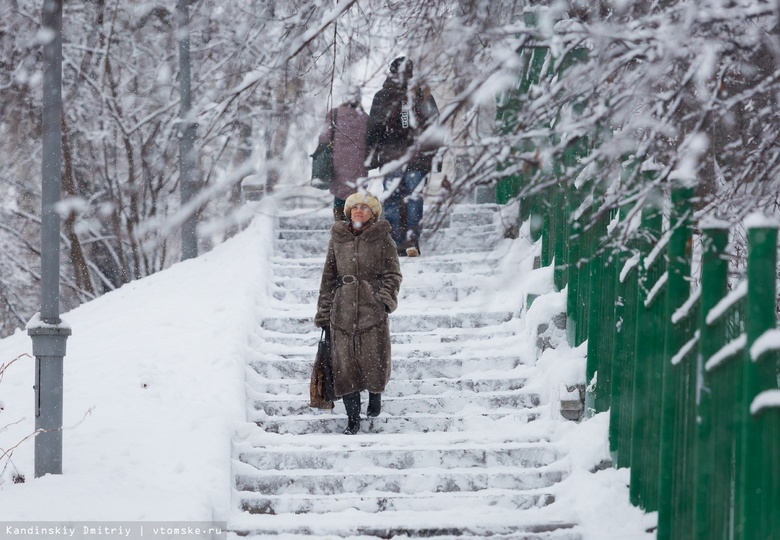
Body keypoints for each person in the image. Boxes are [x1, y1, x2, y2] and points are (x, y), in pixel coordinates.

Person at [314, 192, 403, 434]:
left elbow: (393, 274)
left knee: (373, 361)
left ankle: (375, 395)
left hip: (371, 310)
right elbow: (328, 277)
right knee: (344, 366)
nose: (358, 211)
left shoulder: (382, 238)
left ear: (372, 214)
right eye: (354, 207)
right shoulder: (338, 238)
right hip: (341, 311)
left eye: (364, 207)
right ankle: (352, 418)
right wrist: (324, 313)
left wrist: (383, 300)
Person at [365, 56, 441, 256]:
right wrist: (434, 155)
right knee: (413, 198)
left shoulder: (382, 96)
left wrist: (370, 156)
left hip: (391, 158)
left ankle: (393, 241)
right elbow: (434, 125)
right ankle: (411, 242)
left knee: (391, 199)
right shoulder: (422, 95)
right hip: (418, 157)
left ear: (391, 72)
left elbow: (373, 128)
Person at [318, 85, 369, 221]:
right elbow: (371, 143)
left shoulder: (334, 114)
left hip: (338, 166)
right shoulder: (365, 118)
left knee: (340, 198)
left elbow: (323, 138)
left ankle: (341, 230)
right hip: (359, 168)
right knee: (357, 201)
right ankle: (356, 230)